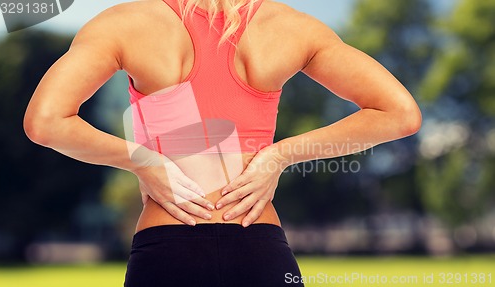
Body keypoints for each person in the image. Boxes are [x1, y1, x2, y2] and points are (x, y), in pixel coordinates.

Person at [23, 0, 422, 286]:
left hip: (167, 249)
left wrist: (144, 161)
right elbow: (400, 114)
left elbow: (45, 122)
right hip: (259, 248)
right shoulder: (291, 26)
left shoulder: (126, 22)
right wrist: (279, 155)